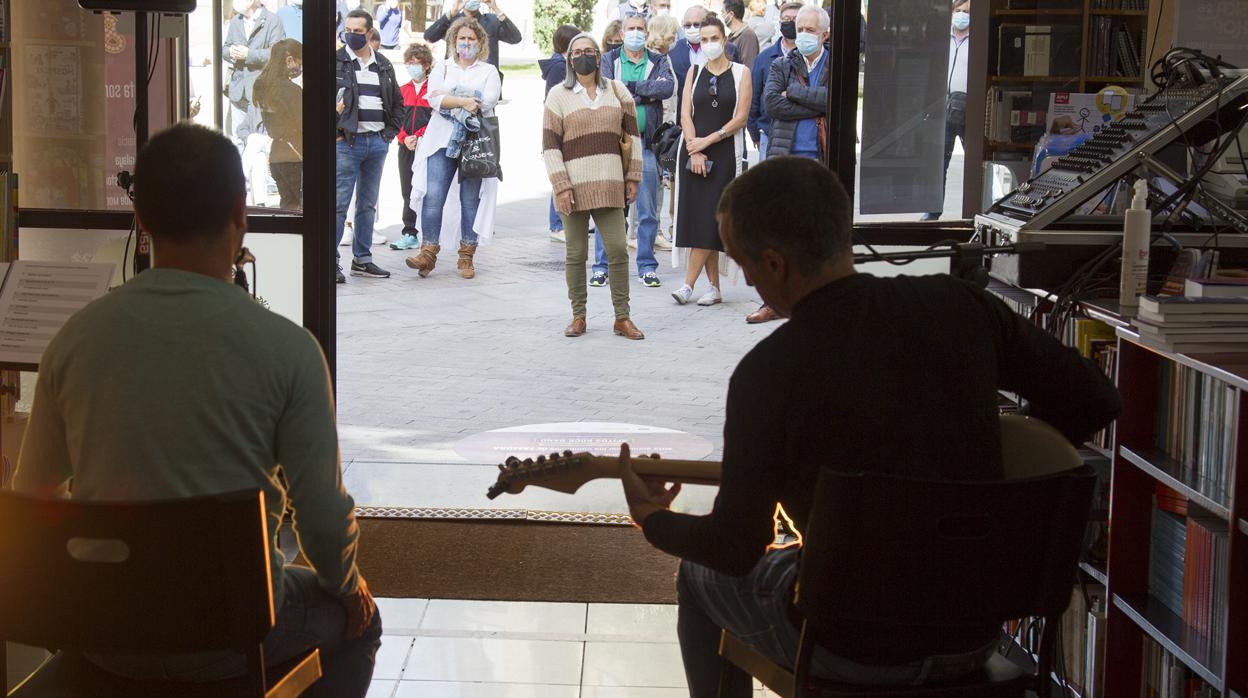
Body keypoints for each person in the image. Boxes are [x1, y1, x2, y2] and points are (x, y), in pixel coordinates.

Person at [616, 156, 1123, 696]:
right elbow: (1094, 396)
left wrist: (653, 519)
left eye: (743, 264)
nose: (746, 278)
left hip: (845, 646)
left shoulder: (768, 373)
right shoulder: (964, 307)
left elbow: (735, 548)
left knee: (700, 579)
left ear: (775, 264)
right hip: (974, 634)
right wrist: (1016, 467)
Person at [13, 123, 384, 696]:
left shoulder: (75, 340)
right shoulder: (288, 350)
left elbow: (33, 497)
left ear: (143, 219)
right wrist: (350, 585)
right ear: (241, 213)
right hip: (234, 636)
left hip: (105, 632)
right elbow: (321, 519)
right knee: (360, 621)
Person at [543, 33, 645, 340]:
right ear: (569, 59)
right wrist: (561, 186)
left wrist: (633, 177)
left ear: (599, 57)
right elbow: (550, 147)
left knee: (617, 249)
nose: (583, 56)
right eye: (577, 53)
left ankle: (622, 317)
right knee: (576, 253)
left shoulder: (618, 91)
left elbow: (634, 138)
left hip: (610, 183)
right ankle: (579, 316)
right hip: (572, 187)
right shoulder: (558, 95)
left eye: (589, 51)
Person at [406, 17, 501, 279]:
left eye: (471, 39)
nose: (466, 43)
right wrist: (465, 99)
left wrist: (453, 99)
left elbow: (490, 98)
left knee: (470, 200)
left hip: (473, 142)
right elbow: (433, 98)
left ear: (480, 42)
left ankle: (466, 256)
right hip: (441, 140)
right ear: (453, 42)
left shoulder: (488, 71)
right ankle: (427, 253)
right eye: (462, 39)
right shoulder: (443, 67)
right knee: (433, 196)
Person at [591, 12, 675, 290]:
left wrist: (629, 88)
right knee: (610, 208)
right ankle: (602, 267)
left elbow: (667, 88)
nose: (636, 33)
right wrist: (646, 91)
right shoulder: (609, 60)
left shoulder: (658, 60)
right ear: (623, 31)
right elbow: (604, 89)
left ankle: (647, 266)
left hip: (647, 145)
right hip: (613, 144)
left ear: (647, 33)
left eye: (641, 28)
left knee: (648, 209)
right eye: (631, 28)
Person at [671, 16, 751, 308]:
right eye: (703, 40)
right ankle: (714, 288)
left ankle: (688, 285)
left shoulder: (742, 73)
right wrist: (694, 150)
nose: (708, 44)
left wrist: (708, 141)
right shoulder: (694, 71)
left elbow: (740, 118)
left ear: (724, 39)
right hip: (693, 153)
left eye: (713, 38)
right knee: (700, 219)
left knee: (710, 217)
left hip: (724, 153)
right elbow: (685, 115)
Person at [335, 8, 403, 283]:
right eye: (347, 31)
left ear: (370, 34)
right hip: (346, 144)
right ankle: (331, 261)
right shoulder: (336, 62)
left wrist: (389, 134)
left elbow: (397, 102)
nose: (351, 36)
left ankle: (362, 260)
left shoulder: (383, 64)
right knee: (339, 204)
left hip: (376, 143)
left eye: (357, 32)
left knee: (367, 205)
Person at [922, 0, 971, 222]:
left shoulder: (977, 39)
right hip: (943, 105)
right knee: (938, 162)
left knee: (974, 161)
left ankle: (976, 208)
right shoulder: (942, 39)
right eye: (958, 11)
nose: (961, 15)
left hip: (969, 107)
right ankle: (932, 211)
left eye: (966, 12)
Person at [389, 43, 434, 251]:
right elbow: (394, 118)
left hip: (426, 148)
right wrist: (404, 138)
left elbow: (436, 119)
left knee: (428, 191)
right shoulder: (402, 90)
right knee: (407, 190)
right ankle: (409, 232)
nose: (412, 66)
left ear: (426, 65)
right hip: (406, 147)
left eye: (416, 63)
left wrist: (420, 136)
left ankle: (431, 233)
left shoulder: (433, 89)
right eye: (409, 63)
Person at [224, 0, 286, 146]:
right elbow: (225, 48)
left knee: (258, 138)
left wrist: (249, 54)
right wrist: (230, 52)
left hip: (261, 90)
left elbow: (277, 53)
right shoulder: (235, 21)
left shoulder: (272, 20)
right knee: (238, 137)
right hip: (238, 90)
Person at [542, 23, 583, 244]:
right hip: (561, 125)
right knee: (560, 175)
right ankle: (556, 224)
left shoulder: (560, 63)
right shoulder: (559, 66)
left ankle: (562, 222)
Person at [253, 38, 304, 210]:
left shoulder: (262, 85)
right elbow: (304, 123)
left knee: (287, 204)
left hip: (276, 155)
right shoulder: (291, 91)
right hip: (295, 154)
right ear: (289, 60)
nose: (300, 67)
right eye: (299, 61)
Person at [746, 0, 800, 162]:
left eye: (795, 19)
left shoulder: (811, 56)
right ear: (780, 21)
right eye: (786, 19)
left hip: (801, 132)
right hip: (769, 133)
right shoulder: (764, 58)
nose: (790, 23)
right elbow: (754, 96)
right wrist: (754, 131)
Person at [669, 5, 739, 121]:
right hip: (684, 119)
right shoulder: (673, 51)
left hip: (721, 117)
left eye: (697, 24)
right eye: (687, 25)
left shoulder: (728, 49)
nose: (692, 28)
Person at [423, 0, 521, 72]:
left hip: (485, 80)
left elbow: (516, 38)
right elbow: (429, 37)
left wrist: (496, 9)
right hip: (455, 78)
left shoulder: (492, 21)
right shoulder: (451, 20)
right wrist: (452, 12)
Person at [723, 0, 760, 73]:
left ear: (731, 14)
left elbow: (749, 68)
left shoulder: (747, 36)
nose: (722, 15)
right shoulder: (732, 36)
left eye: (723, 12)